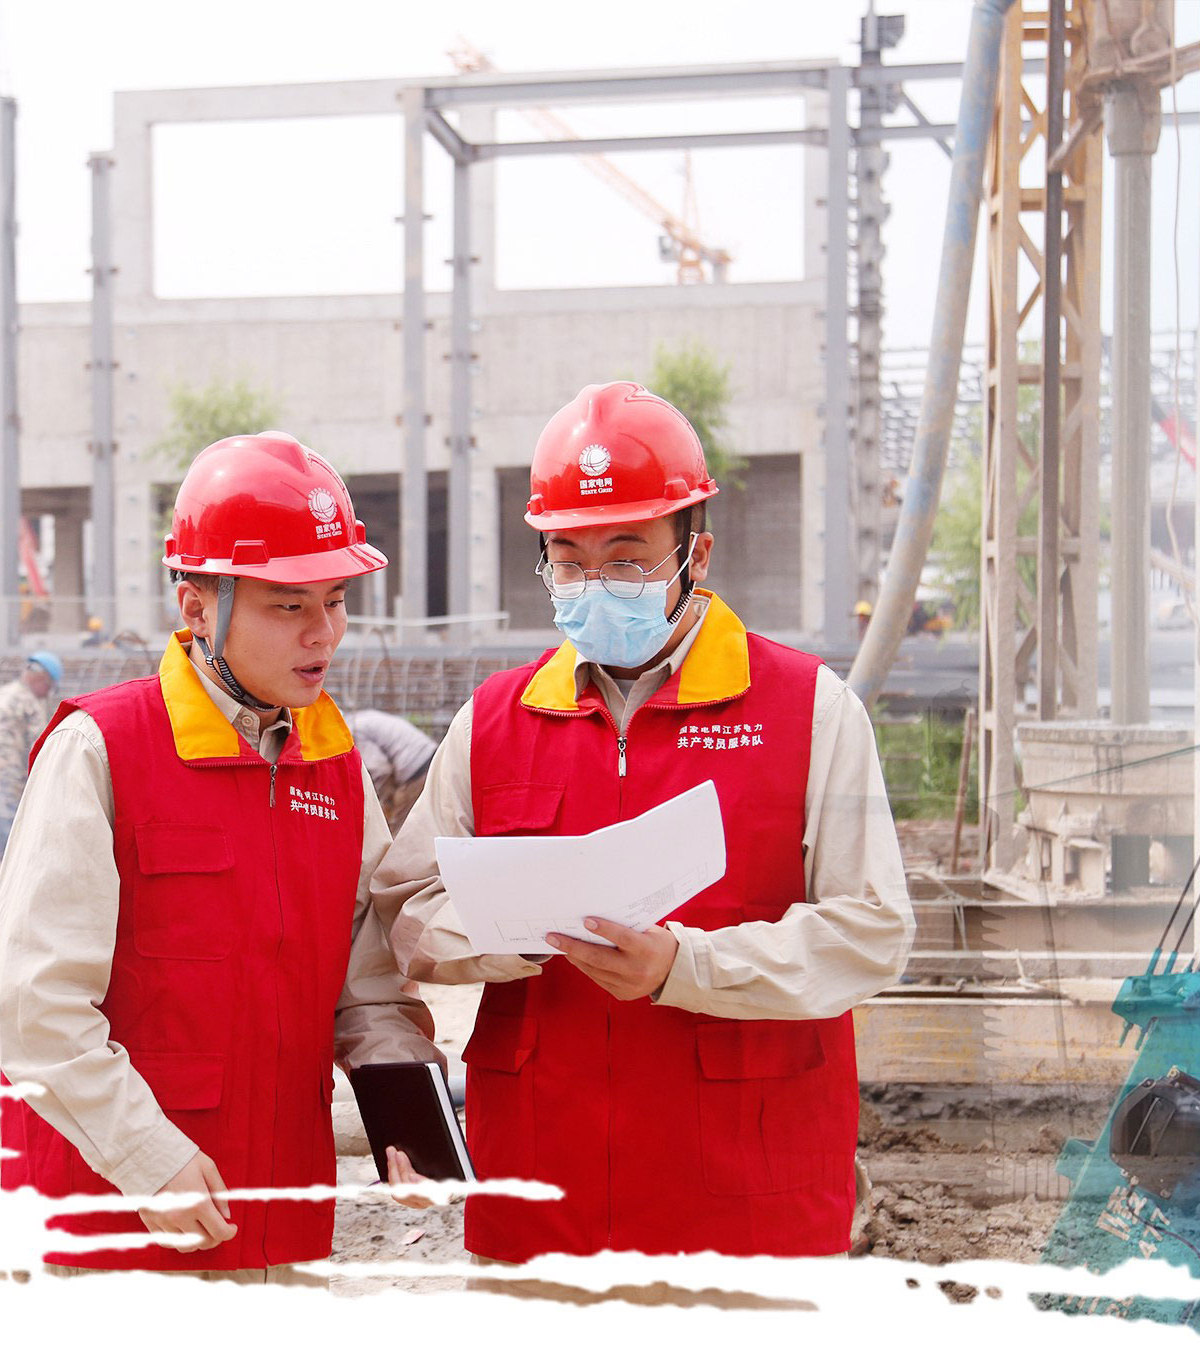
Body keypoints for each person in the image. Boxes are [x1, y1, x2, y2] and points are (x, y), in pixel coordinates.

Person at [372, 381, 913, 1266]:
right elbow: (405, 910)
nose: (596, 586)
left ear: (695, 551)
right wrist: (514, 928)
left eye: (627, 560)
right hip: (542, 1201)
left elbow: (872, 933)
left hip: (747, 1208)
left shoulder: (809, 711)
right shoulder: (494, 721)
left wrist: (684, 966)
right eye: (570, 561)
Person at [0, 431, 442, 1280]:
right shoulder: (103, 749)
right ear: (197, 608)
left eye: (336, 599)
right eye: (288, 606)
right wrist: (145, 1155)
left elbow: (369, 981)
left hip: (279, 1222)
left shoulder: (335, 768)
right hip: (115, 1229)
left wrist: (403, 1109)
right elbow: (32, 1004)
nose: (324, 633)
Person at [0, 652, 62, 856]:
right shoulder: (29, 702)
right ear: (42, 679)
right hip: (10, 785)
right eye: (50, 688)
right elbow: (40, 747)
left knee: (0, 839)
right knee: (15, 846)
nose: (47, 694)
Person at [350, 709, 439, 831]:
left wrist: (382, 803)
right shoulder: (362, 718)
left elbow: (381, 770)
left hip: (416, 769)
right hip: (431, 759)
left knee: (398, 831)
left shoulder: (355, 730)